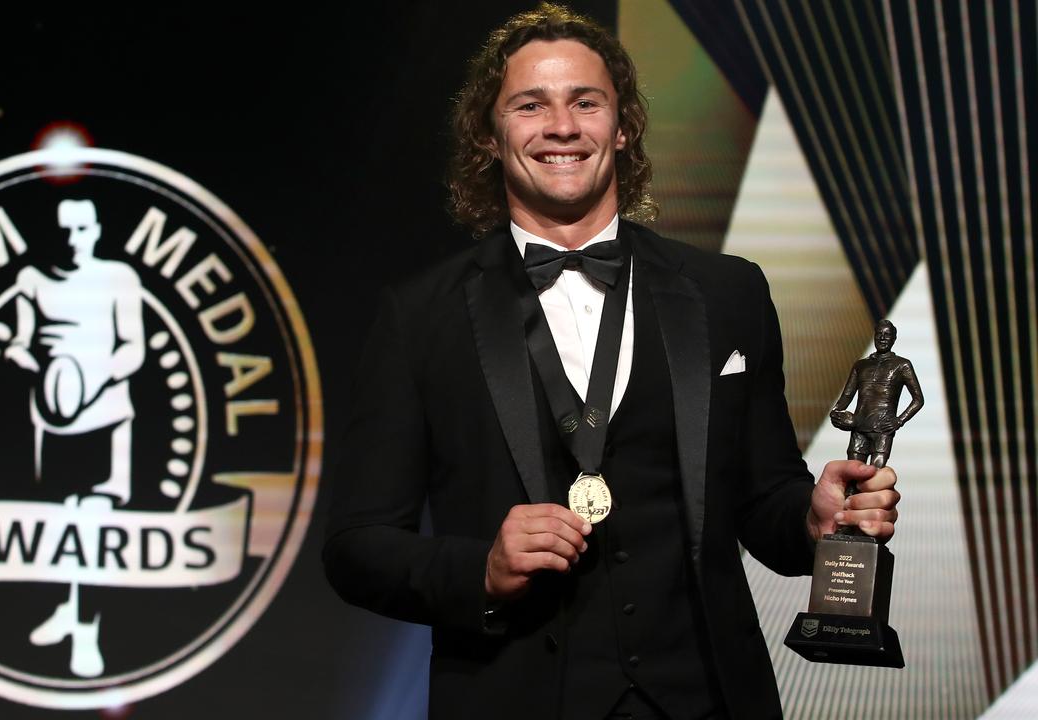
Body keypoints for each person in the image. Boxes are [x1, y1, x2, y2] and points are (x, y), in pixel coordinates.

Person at [322, 5, 901, 719]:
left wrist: (812, 520)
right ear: (489, 135)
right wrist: (484, 569)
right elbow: (357, 546)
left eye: (585, 102)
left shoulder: (728, 294)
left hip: (706, 699)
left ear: (621, 127)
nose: (562, 126)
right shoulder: (419, 316)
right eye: (530, 105)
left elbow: (762, 499)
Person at [5, 198, 146, 678]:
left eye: (82, 229)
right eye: (64, 230)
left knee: (95, 529)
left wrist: (90, 381)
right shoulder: (32, 279)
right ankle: (68, 608)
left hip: (105, 417)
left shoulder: (120, 278)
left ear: (96, 230)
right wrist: (36, 368)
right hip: (51, 422)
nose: (73, 239)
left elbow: (134, 348)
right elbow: (21, 343)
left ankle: (87, 631)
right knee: (64, 526)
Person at [830, 319, 924, 470]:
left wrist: (899, 421)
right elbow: (846, 396)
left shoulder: (902, 365)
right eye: (879, 334)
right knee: (853, 479)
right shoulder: (860, 365)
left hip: (883, 430)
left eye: (887, 335)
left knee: (874, 480)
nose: (882, 338)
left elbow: (918, 399)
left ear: (894, 338)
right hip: (858, 428)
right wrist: (835, 412)